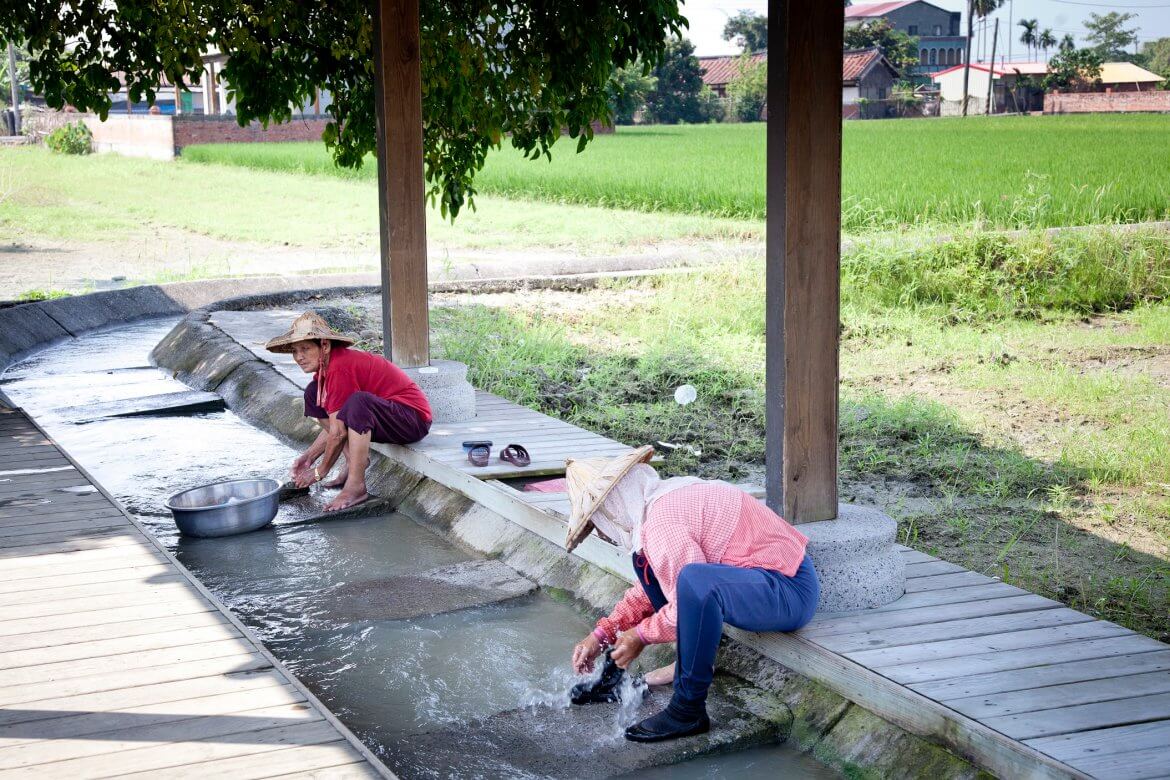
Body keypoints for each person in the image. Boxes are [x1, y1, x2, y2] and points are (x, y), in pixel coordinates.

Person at [565, 446, 820, 743]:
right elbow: (659, 582)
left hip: (787, 589)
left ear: (613, 507)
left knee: (695, 580)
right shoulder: (660, 505)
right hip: (758, 584)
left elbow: (691, 595)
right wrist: (603, 633)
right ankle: (637, 672)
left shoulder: (662, 524)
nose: (603, 533)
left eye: (599, 522)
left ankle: (688, 709)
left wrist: (639, 635)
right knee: (651, 564)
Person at [266, 312, 432, 511]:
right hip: (385, 418)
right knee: (312, 394)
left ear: (325, 346)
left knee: (358, 402)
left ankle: (356, 485)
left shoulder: (339, 367)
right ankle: (354, 463)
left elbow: (338, 433)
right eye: (294, 351)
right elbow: (336, 426)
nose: (299, 357)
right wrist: (309, 456)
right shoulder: (326, 371)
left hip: (412, 420)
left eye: (305, 349)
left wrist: (320, 471)